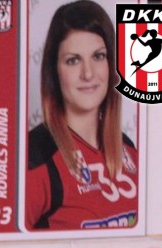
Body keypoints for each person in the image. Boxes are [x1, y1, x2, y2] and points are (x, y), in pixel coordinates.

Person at [26, 0, 139, 230]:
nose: (88, 74)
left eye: (98, 56)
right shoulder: (35, 157)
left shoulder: (129, 149)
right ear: (54, 71)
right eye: (73, 60)